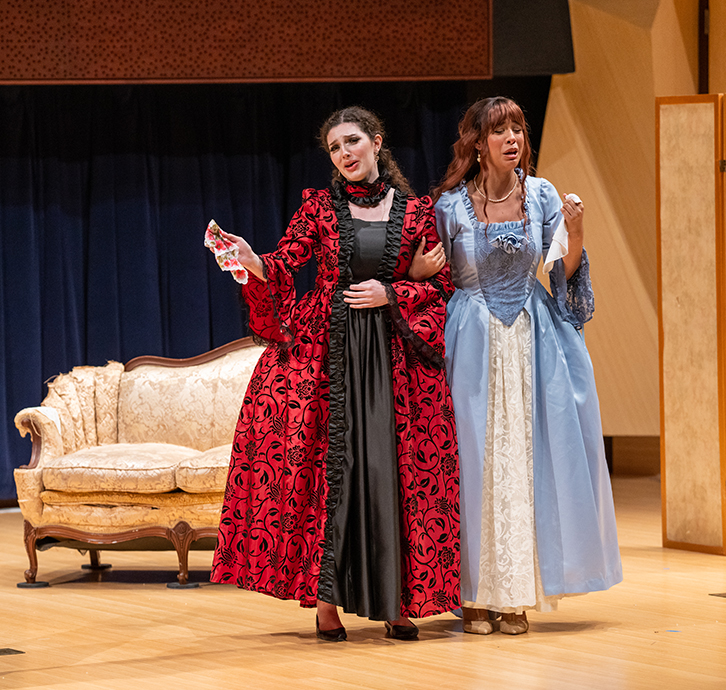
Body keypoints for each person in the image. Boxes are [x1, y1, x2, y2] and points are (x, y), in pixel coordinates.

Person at [210, 106, 461, 641]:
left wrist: (392, 291)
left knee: (391, 474)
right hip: (328, 356)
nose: (345, 154)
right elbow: (283, 264)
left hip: (394, 362)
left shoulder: (417, 213)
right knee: (332, 476)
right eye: (334, 148)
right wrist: (250, 258)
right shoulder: (319, 209)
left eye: (352, 142)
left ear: (376, 142)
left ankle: (397, 602)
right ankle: (327, 603)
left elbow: (443, 288)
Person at [433, 97, 621, 636]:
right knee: (476, 462)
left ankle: (514, 595)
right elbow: (433, 278)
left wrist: (577, 233)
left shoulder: (540, 196)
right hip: (471, 340)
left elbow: (562, 273)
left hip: (531, 338)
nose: (512, 137)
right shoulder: (450, 207)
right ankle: (473, 596)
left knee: (525, 460)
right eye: (500, 130)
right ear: (477, 143)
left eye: (518, 127)